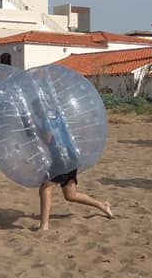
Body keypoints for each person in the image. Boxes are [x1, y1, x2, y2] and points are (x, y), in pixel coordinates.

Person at [30, 97, 113, 230]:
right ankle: (102, 205)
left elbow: (47, 139)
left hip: (62, 158)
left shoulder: (46, 119)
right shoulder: (55, 115)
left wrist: (34, 129)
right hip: (72, 156)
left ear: (40, 107)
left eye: (35, 109)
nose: (36, 112)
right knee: (70, 195)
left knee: (45, 188)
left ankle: (44, 225)